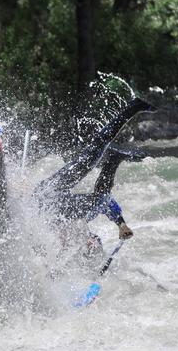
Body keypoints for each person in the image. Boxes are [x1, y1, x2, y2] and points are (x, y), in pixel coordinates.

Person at [35, 97, 156, 242]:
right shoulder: (78, 220)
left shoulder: (53, 234)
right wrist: (121, 224)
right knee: (99, 190)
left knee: (93, 162)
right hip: (50, 196)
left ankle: (114, 158)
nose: (92, 241)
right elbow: (108, 203)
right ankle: (114, 158)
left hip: (47, 199)